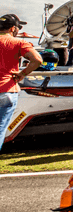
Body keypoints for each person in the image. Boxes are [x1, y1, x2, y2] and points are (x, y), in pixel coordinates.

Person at [0, 14, 42, 151]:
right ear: (13, 28)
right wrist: (23, 73)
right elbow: (37, 60)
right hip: (7, 90)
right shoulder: (18, 42)